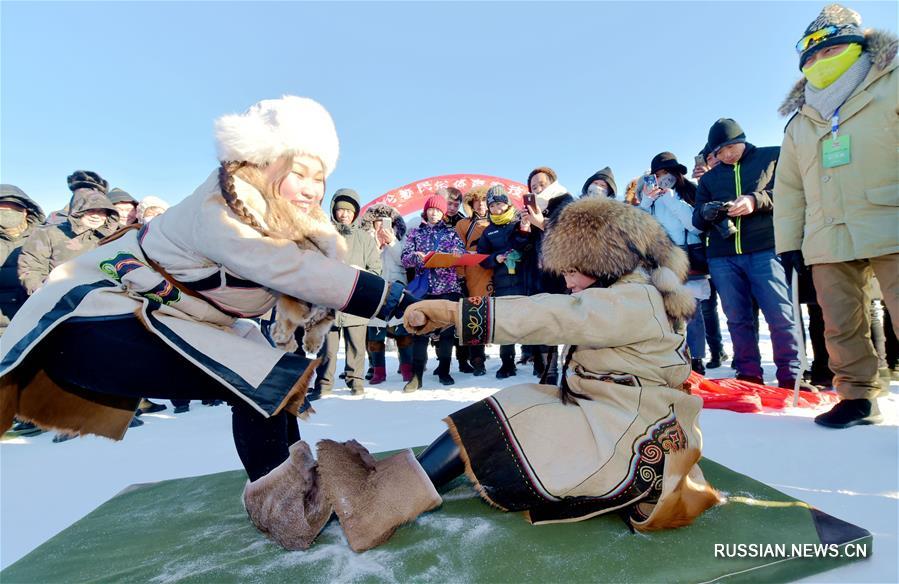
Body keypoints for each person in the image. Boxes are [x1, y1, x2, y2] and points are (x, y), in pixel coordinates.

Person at [0, 96, 419, 550]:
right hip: (98, 321)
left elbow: (296, 288)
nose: (311, 189)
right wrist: (396, 301)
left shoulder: (291, 225)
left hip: (173, 317)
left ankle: (304, 491)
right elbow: (288, 269)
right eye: (298, 172)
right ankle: (286, 513)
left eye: (319, 178)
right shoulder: (223, 204)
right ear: (263, 162)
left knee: (275, 380)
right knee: (255, 381)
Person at [268, 196, 720, 553]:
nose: (566, 282)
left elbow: (547, 315)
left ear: (605, 262)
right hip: (609, 411)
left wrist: (452, 312)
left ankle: (375, 505)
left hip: (632, 432)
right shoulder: (625, 292)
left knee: (505, 419)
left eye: (572, 270)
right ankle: (384, 490)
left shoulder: (631, 299)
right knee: (510, 407)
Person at [774, 4, 897, 428]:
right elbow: (788, 189)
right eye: (809, 57)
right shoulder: (798, 123)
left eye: (828, 52)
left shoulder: (891, 83)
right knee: (840, 322)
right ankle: (858, 396)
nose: (817, 63)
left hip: (889, 218)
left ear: (855, 46)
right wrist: (789, 243)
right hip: (827, 233)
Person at [692, 118, 808, 390]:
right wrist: (707, 212)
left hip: (765, 248)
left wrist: (755, 200)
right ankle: (748, 373)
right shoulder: (709, 178)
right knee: (736, 317)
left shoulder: (771, 157)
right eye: (720, 151)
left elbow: (789, 192)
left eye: (732, 146)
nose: (727, 153)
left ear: (743, 140)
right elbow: (697, 218)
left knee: (780, 313)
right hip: (722, 256)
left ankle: (791, 374)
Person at [639, 153, 710, 374]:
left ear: (676, 173)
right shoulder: (650, 200)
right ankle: (672, 356)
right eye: (658, 175)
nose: (663, 178)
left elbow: (695, 225)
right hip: (661, 260)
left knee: (692, 313)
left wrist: (671, 200)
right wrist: (646, 201)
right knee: (665, 312)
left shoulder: (688, 192)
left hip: (688, 259)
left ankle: (697, 358)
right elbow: (639, 228)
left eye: (667, 173)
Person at [310, 188, 382, 398]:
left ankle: (356, 382)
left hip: (356, 300)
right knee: (328, 349)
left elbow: (376, 269)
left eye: (349, 211)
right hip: (329, 300)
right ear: (333, 210)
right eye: (340, 209)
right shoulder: (322, 236)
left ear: (356, 213)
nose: (344, 214)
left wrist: (361, 274)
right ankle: (323, 384)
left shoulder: (364, 238)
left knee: (356, 347)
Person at [400, 194, 465, 389]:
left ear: (443, 212)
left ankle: (444, 371)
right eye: (431, 209)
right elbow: (404, 258)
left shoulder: (451, 233)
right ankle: (416, 376)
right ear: (426, 211)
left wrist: (456, 254)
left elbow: (461, 253)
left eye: (438, 210)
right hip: (424, 288)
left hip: (448, 288)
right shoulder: (415, 233)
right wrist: (416, 257)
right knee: (419, 330)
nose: (434, 213)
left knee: (447, 333)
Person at [522, 166, 576, 383]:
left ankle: (574, 369)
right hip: (541, 274)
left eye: (541, 184)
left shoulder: (565, 200)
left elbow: (569, 232)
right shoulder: (536, 207)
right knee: (546, 323)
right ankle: (550, 370)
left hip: (566, 274)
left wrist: (540, 222)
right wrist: (525, 227)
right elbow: (529, 244)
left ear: (552, 183)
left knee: (570, 322)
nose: (537, 188)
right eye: (533, 186)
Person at [477, 185, 534, 378]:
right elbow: (481, 259)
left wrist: (523, 241)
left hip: (524, 280)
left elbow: (532, 246)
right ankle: (507, 363)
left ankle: (537, 360)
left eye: (500, 204)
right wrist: (495, 259)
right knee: (505, 324)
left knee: (531, 321)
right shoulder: (488, 232)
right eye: (492, 206)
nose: (496, 209)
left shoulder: (520, 222)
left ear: (508, 204)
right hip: (502, 283)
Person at [17, 188, 119, 296]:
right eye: (90, 210)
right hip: (57, 299)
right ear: (78, 211)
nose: (95, 216)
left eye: (101, 211)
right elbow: (31, 268)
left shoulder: (113, 238)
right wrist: (45, 295)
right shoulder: (48, 233)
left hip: (101, 300)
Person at [360, 203, 412, 384]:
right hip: (374, 289)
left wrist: (392, 243)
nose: (381, 226)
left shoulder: (402, 239)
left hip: (398, 288)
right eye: (377, 222)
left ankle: (406, 368)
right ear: (372, 224)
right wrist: (376, 245)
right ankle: (378, 371)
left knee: (401, 330)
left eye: (385, 222)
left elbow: (405, 261)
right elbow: (365, 262)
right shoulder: (366, 240)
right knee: (375, 331)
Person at [454, 186, 492, 376]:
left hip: (498, 273)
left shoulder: (501, 221)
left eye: (485, 200)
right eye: (477, 201)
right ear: (471, 204)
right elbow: (457, 252)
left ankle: (508, 360)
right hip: (473, 275)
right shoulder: (462, 225)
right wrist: (460, 275)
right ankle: (477, 360)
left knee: (500, 316)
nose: (482, 204)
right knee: (475, 317)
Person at [0, 185, 45, 335]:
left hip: (35, 321)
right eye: (2, 209)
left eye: (14, 209)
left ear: (26, 211)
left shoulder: (43, 237)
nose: (7, 214)